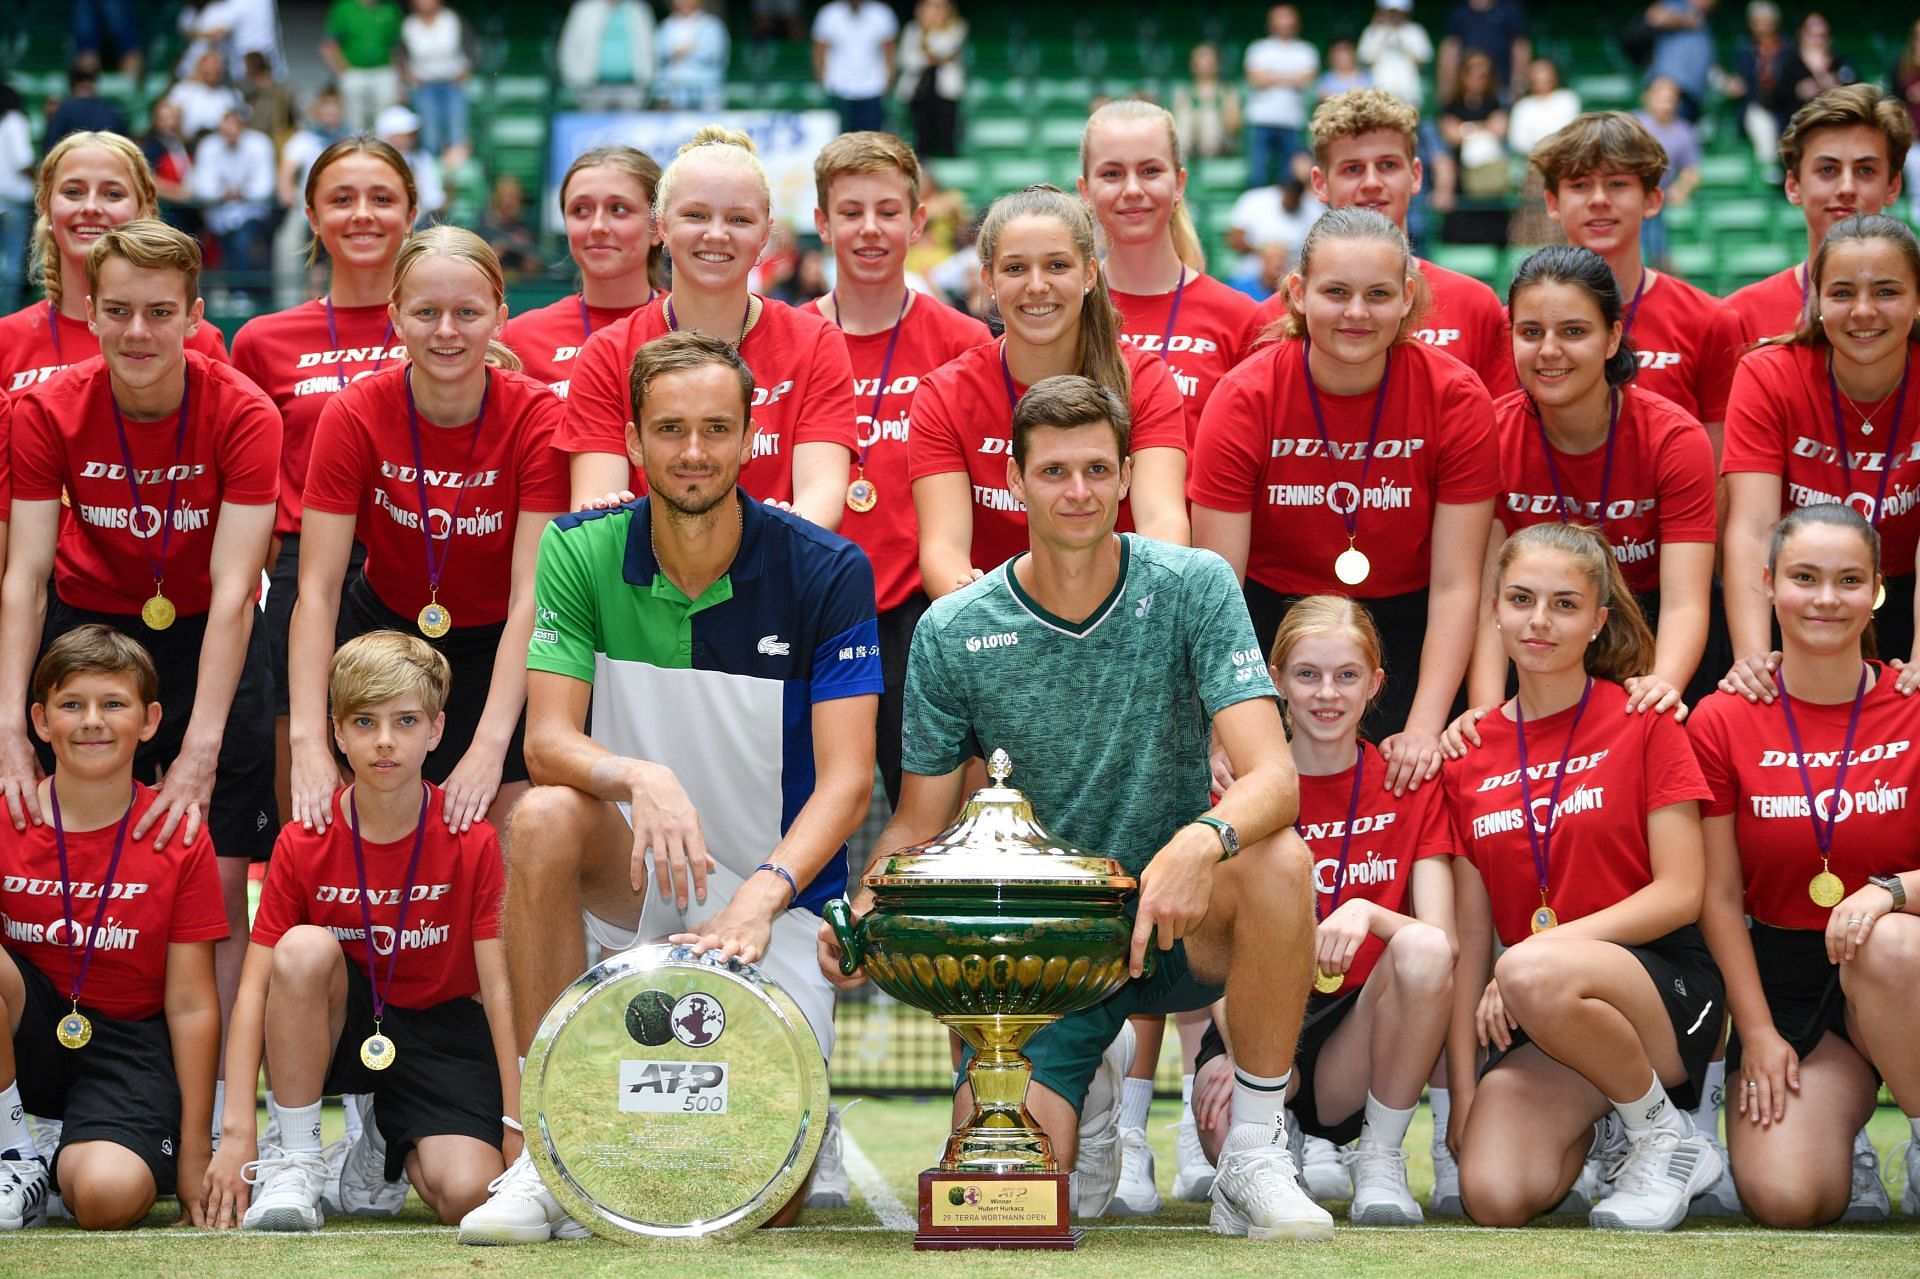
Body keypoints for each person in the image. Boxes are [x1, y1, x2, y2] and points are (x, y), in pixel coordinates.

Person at [824, 373, 1332, 1239]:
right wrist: (865, 908)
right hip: (1034, 958)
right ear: (1014, 483)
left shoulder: (1193, 584)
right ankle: (1090, 1093)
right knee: (995, 1211)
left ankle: (1253, 1151)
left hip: (1174, 917)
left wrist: (1199, 842)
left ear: (1128, 476)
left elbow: (1274, 780)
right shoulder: (954, 628)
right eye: (1054, 471)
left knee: (1280, 858)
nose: (1079, 491)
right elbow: (918, 821)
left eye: (1098, 469)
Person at [455, 332, 880, 1244]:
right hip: (638, 876)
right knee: (539, 817)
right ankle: (544, 1142)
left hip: (777, 900)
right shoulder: (579, 549)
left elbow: (848, 784)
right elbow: (549, 739)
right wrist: (639, 775)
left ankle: (805, 1103)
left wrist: (759, 901)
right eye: (672, 429)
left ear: (749, 437)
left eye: (716, 428)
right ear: (635, 442)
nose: (694, 451)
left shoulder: (827, 569)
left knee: (770, 1199)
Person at [0, 221, 279, 1134]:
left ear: (197, 317)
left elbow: (238, 590)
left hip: (209, 628)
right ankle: (41, 1091)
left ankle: (230, 1107)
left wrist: (198, 751)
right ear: (88, 310)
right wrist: (10, 722)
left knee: (218, 863)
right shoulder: (45, 409)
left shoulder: (243, 412)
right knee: (48, 835)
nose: (137, 333)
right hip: (88, 622)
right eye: (117, 311)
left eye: (161, 313)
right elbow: (26, 574)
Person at [1443, 521, 1725, 1231]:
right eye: (1521, 598)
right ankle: (1616, 1125)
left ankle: (1667, 1138)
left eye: (1565, 604)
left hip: (1661, 984)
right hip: (1548, 1007)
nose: (1540, 620)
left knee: (1534, 969)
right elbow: (1473, 942)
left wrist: (1542, 952)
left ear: (1599, 620)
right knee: (1496, 1193)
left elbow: (1681, 891)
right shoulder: (1468, 753)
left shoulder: (1645, 719)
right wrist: (1460, 1094)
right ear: (1496, 611)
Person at [204, 631, 513, 1231]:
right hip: (343, 1026)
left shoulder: (470, 837)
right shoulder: (304, 839)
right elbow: (253, 990)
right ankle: (296, 1157)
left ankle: (380, 1138)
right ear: (337, 734)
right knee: (301, 949)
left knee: (471, 1194)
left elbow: (500, 989)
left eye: (405, 721)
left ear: (437, 731)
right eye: (365, 722)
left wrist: (519, 1121)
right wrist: (237, 1129)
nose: (386, 741)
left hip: (441, 1033)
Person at [1193, 208, 1498, 792]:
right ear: (1298, 294)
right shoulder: (1244, 397)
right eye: (1336, 292)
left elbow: (1458, 582)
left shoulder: (1456, 396)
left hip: (1407, 627)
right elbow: (1218, 587)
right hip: (1266, 628)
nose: (1357, 313)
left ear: (1407, 298)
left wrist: (1424, 728)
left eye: (1377, 294)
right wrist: (1219, 726)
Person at [291, 226, 567, 840]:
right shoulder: (354, 412)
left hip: (500, 646)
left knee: (504, 844)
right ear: (395, 318)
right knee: (370, 839)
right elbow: (316, 589)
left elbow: (532, 596)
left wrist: (490, 747)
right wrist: (308, 739)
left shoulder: (538, 416)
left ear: (499, 318)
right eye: (426, 312)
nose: (446, 331)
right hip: (382, 634)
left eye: (467, 312)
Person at [1191, 596, 1458, 1223]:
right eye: (1307, 674)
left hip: (1359, 1031)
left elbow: (1443, 941)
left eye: (1346, 675)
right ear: (1276, 681)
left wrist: (1365, 910)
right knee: (1227, 1122)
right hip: (1251, 1020)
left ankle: (1380, 1161)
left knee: (1420, 951)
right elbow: (1218, 951)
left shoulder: (1407, 782)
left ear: (1375, 684)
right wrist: (1248, 1058)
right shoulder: (1238, 788)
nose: (1326, 694)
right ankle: (1275, 1144)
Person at [1690, 504, 1920, 1228]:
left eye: (1849, 580)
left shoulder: (1913, 704)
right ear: (1767, 584)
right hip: (1788, 973)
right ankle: (1842, 1135)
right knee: (1789, 1199)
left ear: (1878, 590)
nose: (1826, 598)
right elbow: (1720, 896)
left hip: (1905, 959)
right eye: (1805, 577)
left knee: (1887, 942)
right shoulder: (1720, 719)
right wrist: (1755, 1029)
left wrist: (1892, 891)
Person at [0, 627, 225, 1231]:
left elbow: (191, 1003)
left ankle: (61, 1156)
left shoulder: (176, 832)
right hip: (26, 1033)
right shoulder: (9, 815)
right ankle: (14, 1151)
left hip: (127, 1045)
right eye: (71, 705)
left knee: (106, 1199)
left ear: (150, 720)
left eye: (113, 704)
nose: (91, 722)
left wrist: (195, 1154)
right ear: (40, 721)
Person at [232, 136, 415, 825]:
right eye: (341, 199)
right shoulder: (262, 340)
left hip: (420, 562)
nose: (362, 214)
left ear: (412, 212)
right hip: (301, 571)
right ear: (312, 216)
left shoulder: (448, 324)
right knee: (304, 794)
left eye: (381, 198)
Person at [809, 132, 988, 810]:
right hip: (814, 611)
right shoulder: (790, 338)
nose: (870, 228)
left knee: (939, 812)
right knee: (805, 803)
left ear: (918, 221)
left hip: (920, 612)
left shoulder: (966, 342)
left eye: (888, 210)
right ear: (822, 223)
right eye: (850, 212)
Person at [558, 128, 856, 529]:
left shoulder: (816, 342)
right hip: (645, 585)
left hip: (776, 579)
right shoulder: (609, 351)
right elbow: (595, 513)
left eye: (739, 219)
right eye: (695, 215)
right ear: (661, 225)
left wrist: (779, 545)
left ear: (765, 232)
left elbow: (821, 499)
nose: (716, 234)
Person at [907, 184, 1191, 599]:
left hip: (1123, 620)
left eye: (1057, 265)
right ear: (988, 279)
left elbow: (1163, 524)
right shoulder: (945, 394)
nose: (1036, 286)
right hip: (999, 628)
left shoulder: (1143, 380)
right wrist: (994, 623)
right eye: (1015, 269)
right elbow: (943, 551)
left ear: (1090, 273)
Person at [1468, 247, 1717, 715]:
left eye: (1574, 332)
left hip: (1648, 629)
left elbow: (1686, 602)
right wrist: (1488, 711)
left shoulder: (1675, 438)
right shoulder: (1491, 435)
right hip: (1534, 631)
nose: (1548, 351)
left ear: (1611, 338)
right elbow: (1488, 601)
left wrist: (1661, 687)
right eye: (1530, 332)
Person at [1721, 214, 1920, 709]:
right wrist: (1752, 657)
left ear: (1918, 301)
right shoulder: (1767, 373)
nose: (1864, 311)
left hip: (1906, 586)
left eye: (1888, 292)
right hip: (1799, 591)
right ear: (1816, 301)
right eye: (1842, 293)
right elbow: (1753, 527)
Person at [1251, 90, 1519, 401]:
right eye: (1352, 169)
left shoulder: (1475, 305)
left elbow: (1497, 428)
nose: (1371, 182)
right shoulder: (1270, 317)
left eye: (1388, 165)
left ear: (1416, 175)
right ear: (1320, 183)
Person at [1530, 111, 1742, 445]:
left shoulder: (1710, 321)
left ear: (1653, 199)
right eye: (1580, 184)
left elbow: (1716, 469)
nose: (1599, 200)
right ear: (1553, 203)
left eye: (1617, 183)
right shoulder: (1517, 328)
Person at [1083, 99, 1261, 443]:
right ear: (1085, 191)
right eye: (1112, 174)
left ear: (1179, 183)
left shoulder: (1240, 320)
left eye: (1150, 171)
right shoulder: (1066, 312)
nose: (1133, 189)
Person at [1, 132, 230, 395]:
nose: (90, 207)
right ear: (46, 207)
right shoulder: (5, 341)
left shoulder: (195, 338)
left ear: (144, 209)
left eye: (112, 194)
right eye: (73, 192)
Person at [1724, 85, 1912, 345]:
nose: (1846, 188)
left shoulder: (1915, 311)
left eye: (1866, 170)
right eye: (1827, 169)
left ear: (1892, 187)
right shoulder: (1739, 315)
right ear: (1793, 186)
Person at [500, 145, 663, 396]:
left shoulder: (691, 328)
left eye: (618, 209)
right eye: (581, 210)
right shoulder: (518, 339)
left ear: (656, 226)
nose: (597, 226)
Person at [191, 106, 276, 311]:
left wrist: (236, 193)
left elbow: (264, 187)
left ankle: (241, 293)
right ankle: (223, 294)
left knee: (242, 239)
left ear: (243, 125)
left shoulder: (260, 144)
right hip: (215, 214)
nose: (230, 131)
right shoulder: (208, 146)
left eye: (235, 124)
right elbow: (202, 186)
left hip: (252, 212)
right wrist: (226, 194)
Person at [1243, 6, 1320, 191]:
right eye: (1280, 20)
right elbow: (1256, 79)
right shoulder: (1258, 48)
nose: (1284, 25)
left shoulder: (1307, 50)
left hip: (1292, 122)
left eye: (1288, 20)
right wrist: (1291, 77)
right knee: (1257, 176)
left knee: (1291, 179)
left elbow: (1306, 80)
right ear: (1270, 24)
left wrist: (1272, 76)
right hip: (1260, 120)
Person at [1634, 77, 1701, 272]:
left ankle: (1659, 273)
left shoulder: (1683, 132)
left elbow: (1692, 171)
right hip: (1628, 194)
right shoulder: (1633, 124)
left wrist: (1681, 189)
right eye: (1661, 99)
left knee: (1656, 242)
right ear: (1649, 98)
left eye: (1670, 100)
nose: (1666, 105)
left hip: (1656, 197)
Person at [812, 0, 899, 136]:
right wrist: (823, 80)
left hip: (873, 87)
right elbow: (820, 51)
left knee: (871, 140)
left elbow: (889, 52)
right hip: (838, 87)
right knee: (840, 140)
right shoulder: (829, 13)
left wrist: (888, 82)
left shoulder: (882, 13)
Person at [896, 0, 967, 160]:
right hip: (920, 86)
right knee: (921, 129)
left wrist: (928, 39)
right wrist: (932, 55)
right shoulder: (912, 29)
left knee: (947, 126)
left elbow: (945, 49)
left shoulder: (956, 27)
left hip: (945, 88)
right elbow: (906, 59)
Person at [1732, 1, 1799, 168]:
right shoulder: (1745, 48)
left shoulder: (1788, 48)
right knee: (1758, 116)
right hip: (1756, 103)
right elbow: (1741, 79)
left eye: (1765, 21)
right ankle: (1768, 166)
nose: (1760, 26)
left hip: (1785, 105)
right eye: (1756, 21)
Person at [400, 0, 470, 159]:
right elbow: (400, 54)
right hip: (424, 85)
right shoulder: (409, 25)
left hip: (452, 83)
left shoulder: (451, 19)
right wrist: (409, 75)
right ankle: (431, 177)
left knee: (456, 133)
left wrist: (466, 71)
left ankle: (455, 178)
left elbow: (469, 45)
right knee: (430, 136)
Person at [322, 0, 406, 132]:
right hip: (354, 71)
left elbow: (396, 46)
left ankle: (380, 151)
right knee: (354, 121)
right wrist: (343, 72)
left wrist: (397, 74)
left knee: (385, 119)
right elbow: (329, 45)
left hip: (383, 71)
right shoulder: (344, 8)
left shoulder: (390, 8)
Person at [557, 0, 654, 113]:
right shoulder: (584, 9)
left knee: (629, 129)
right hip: (592, 87)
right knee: (594, 129)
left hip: (632, 87)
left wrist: (648, 79)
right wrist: (574, 80)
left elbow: (650, 47)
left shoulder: (639, 9)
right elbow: (568, 48)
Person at [1439, 51, 1511, 203]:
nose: (1476, 80)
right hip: (1459, 177)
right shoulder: (1453, 105)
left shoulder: (1496, 103)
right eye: (1471, 74)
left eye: (1482, 75)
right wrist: (1484, 128)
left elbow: (1499, 130)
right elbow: (1452, 136)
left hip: (1489, 178)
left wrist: (1465, 129)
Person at [1439, 0, 1530, 102]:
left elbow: (1520, 49)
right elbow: (1449, 51)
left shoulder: (1509, 10)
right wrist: (1446, 88)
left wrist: (1518, 85)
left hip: (1503, 89)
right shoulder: (1460, 12)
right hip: (1466, 92)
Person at [1643, 0, 1719, 122]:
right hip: (1667, 89)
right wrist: (1686, 20)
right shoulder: (1678, 5)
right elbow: (1654, 17)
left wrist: (1728, 84)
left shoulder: (1706, 31)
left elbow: (1712, 69)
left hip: (1691, 97)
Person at [1172, 43, 1243, 162]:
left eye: (1209, 63)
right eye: (1199, 62)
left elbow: (1233, 125)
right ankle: (1183, 158)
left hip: (1221, 142)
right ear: (1193, 65)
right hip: (1190, 141)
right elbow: (1174, 124)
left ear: (1217, 65)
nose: (1204, 66)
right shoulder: (1182, 92)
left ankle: (1208, 158)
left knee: (1209, 118)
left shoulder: (1227, 91)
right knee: (1185, 116)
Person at [653, 0, 728, 113]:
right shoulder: (667, 25)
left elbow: (714, 55)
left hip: (705, 94)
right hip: (673, 95)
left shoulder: (711, 25)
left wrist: (682, 52)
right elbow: (660, 53)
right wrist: (684, 50)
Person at [1357, 0, 1433, 108]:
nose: (1394, 16)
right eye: (1390, 12)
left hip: (1409, 94)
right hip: (1379, 93)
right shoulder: (1372, 31)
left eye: (1397, 12)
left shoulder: (1415, 31)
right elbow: (1367, 61)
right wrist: (1381, 35)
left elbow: (1422, 62)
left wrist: (1403, 41)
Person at [0, 82, 35, 316]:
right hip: (13, 200)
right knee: (12, 262)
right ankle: (7, 316)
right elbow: (23, 161)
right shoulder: (15, 120)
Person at [40, 65, 131, 152]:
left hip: (74, 165)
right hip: (108, 165)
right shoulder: (112, 110)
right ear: (95, 86)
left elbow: (49, 150)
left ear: (71, 87)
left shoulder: (63, 110)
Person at [167, 49, 244, 145]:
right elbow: (169, 119)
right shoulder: (182, 90)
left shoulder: (228, 96)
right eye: (208, 68)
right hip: (185, 143)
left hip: (218, 145)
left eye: (216, 68)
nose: (213, 70)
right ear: (199, 68)